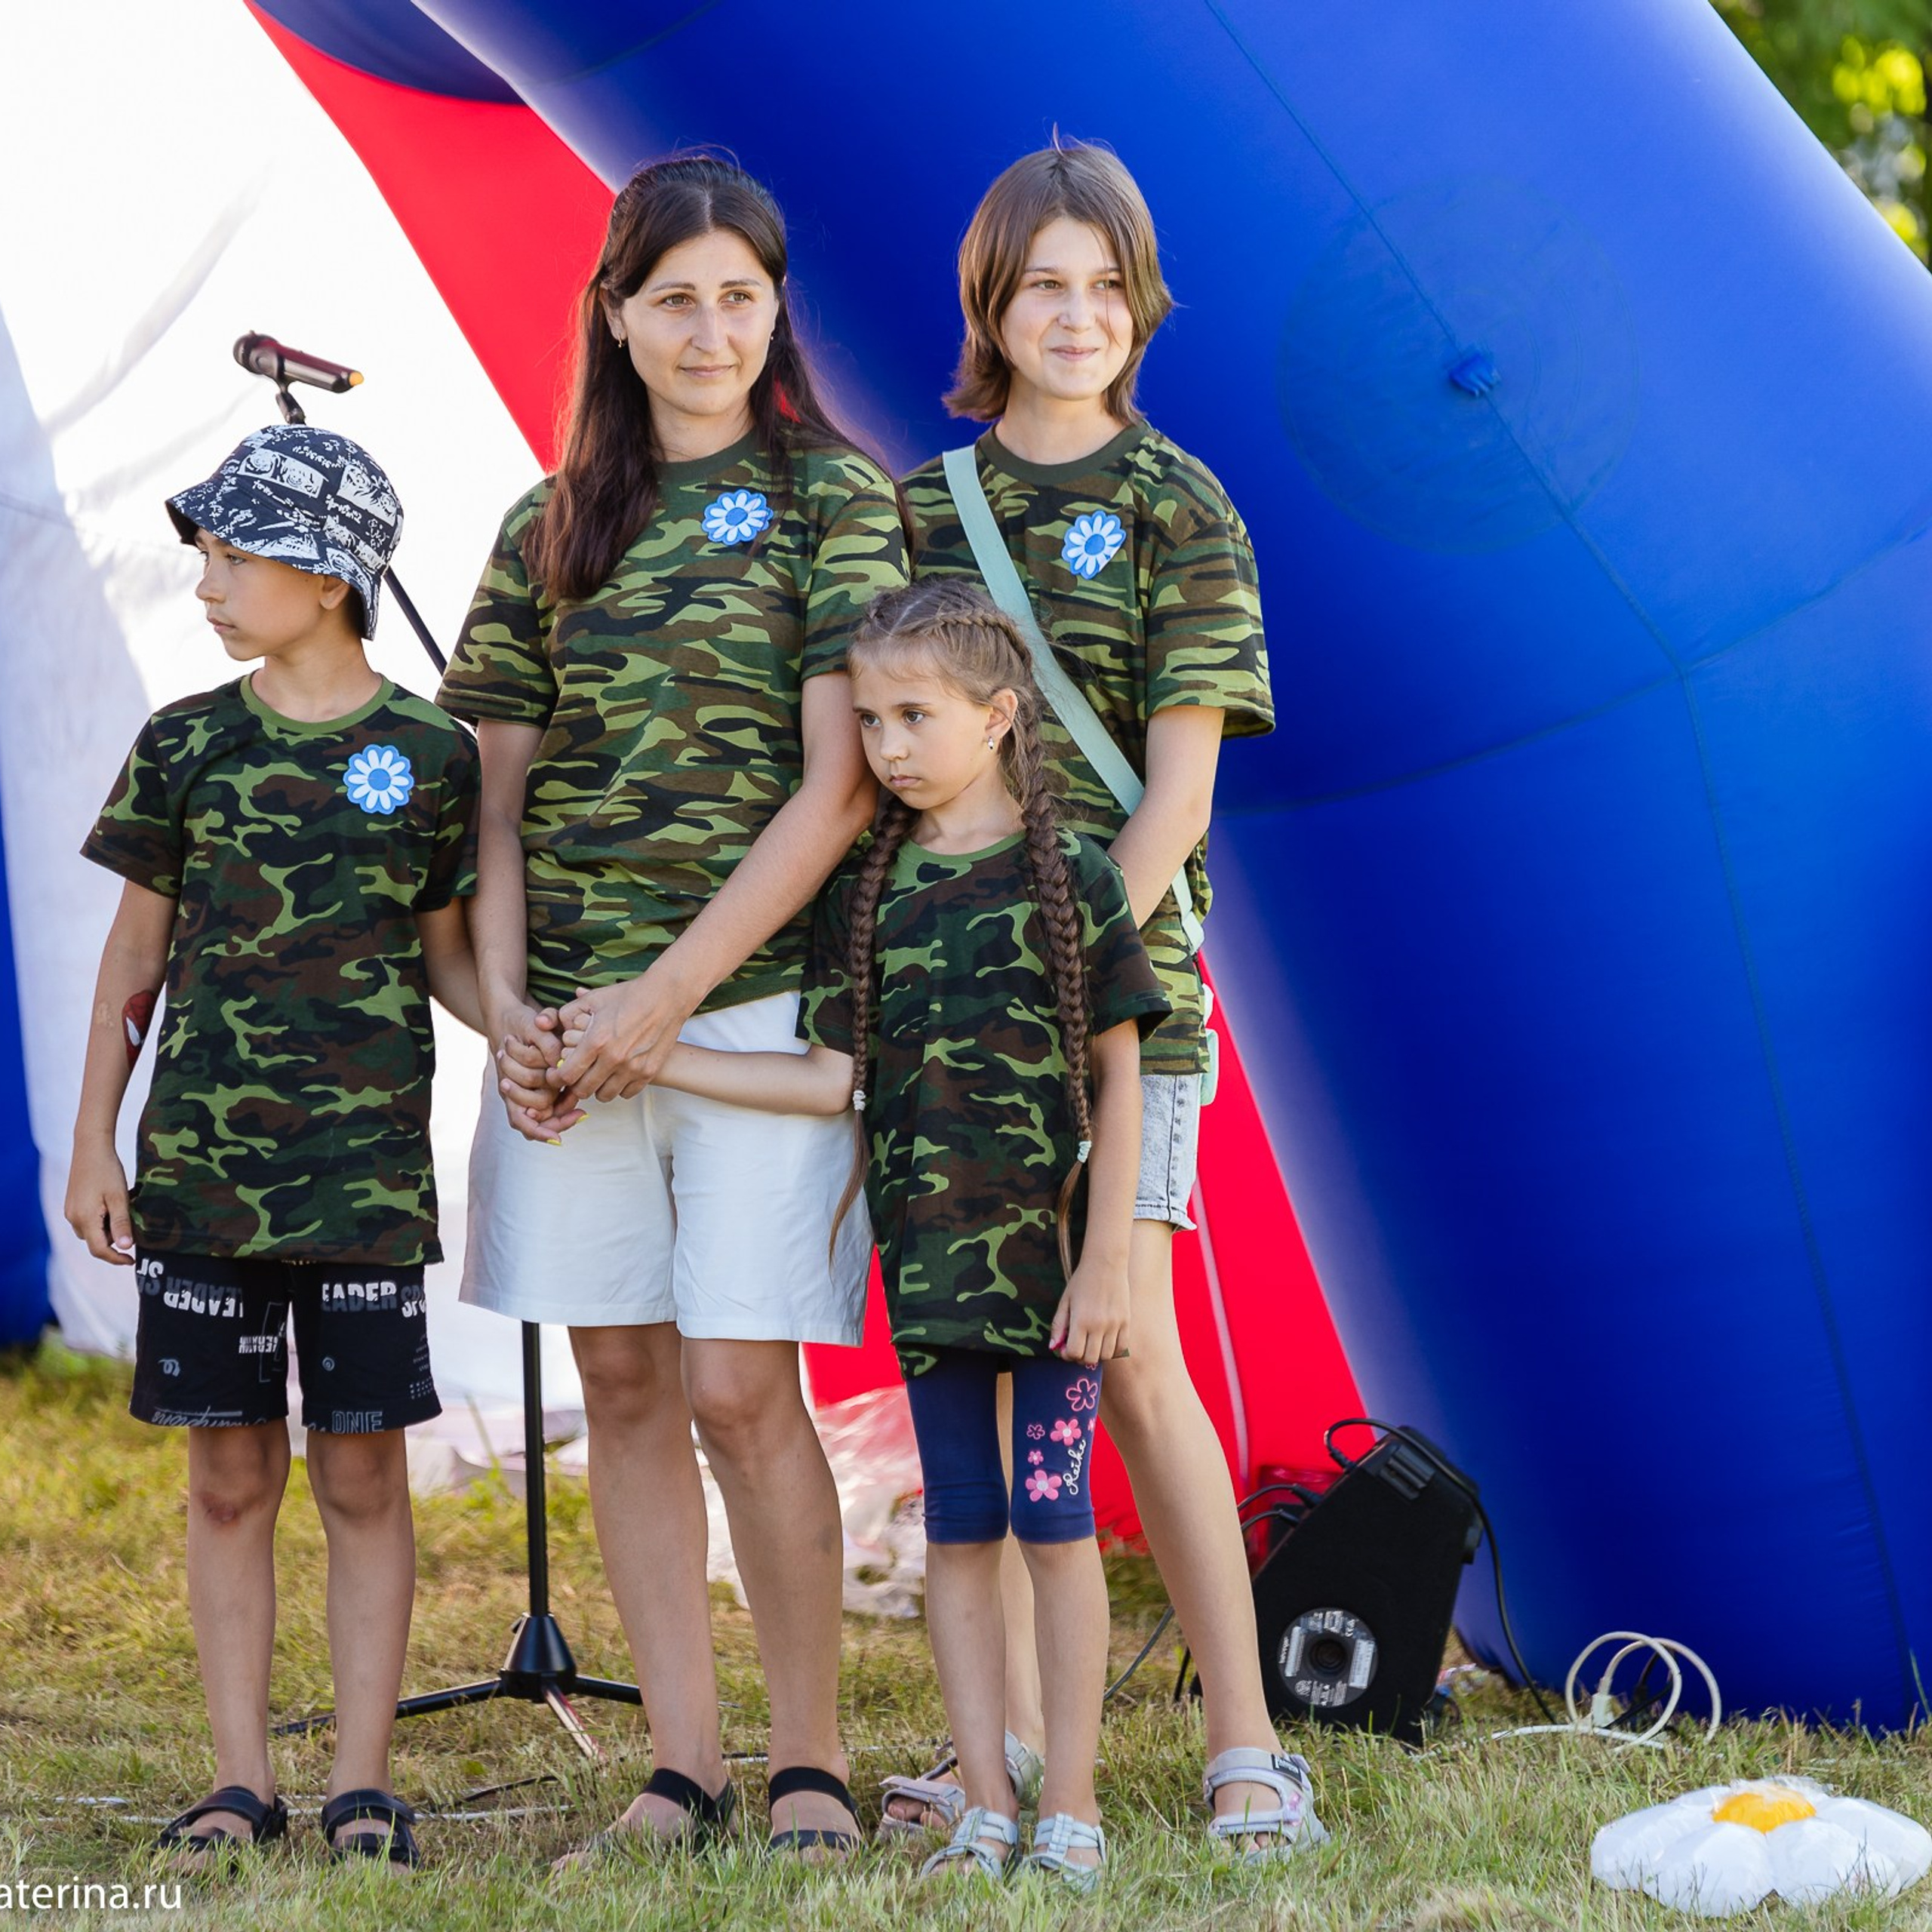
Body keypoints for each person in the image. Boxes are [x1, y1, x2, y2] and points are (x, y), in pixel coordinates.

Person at [441, 155, 906, 1860]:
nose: (710, 328)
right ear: (616, 317)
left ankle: (805, 1761)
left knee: (732, 1381)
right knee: (622, 1382)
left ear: (775, 309)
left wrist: (665, 997)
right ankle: (680, 1762)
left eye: (740, 294)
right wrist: (511, 1013)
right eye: (674, 297)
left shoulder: (831, 501)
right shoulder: (541, 523)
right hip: (568, 1029)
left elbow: (836, 789)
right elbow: (488, 803)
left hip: (754, 1011)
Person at [895, 141, 1329, 1859]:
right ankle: (993, 1745)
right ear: (987, 308)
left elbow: (1177, 801)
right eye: (1037, 286)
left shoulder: (1181, 503)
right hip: (940, 1016)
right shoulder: (918, 510)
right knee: (982, 1365)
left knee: (1124, 1346)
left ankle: (1244, 1735)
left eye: (1100, 284)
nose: (1071, 315)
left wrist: (1050, 973)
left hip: (1114, 1001)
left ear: (1137, 303)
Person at [600, 578, 1168, 1887]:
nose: (889, 746)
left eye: (916, 714)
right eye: (867, 720)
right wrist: (663, 1054)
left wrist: (1102, 1261)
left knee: (1055, 1519)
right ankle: (983, 1804)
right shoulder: (874, 889)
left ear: (1001, 716)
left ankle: (1068, 1804)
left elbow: (1121, 1076)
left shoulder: (1072, 875)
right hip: (930, 1285)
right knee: (958, 1536)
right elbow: (824, 1083)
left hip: (1054, 1285)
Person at [63, 425, 482, 1871]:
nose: (208, 583)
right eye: (206, 555)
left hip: (367, 1186)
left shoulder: (436, 754)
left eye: (233, 555)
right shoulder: (185, 743)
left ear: (328, 573)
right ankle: (240, 1783)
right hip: (198, 1182)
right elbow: (135, 955)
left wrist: (554, 1040)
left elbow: (453, 962)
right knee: (228, 1479)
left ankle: (364, 1784)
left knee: (364, 1477)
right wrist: (93, 1148)